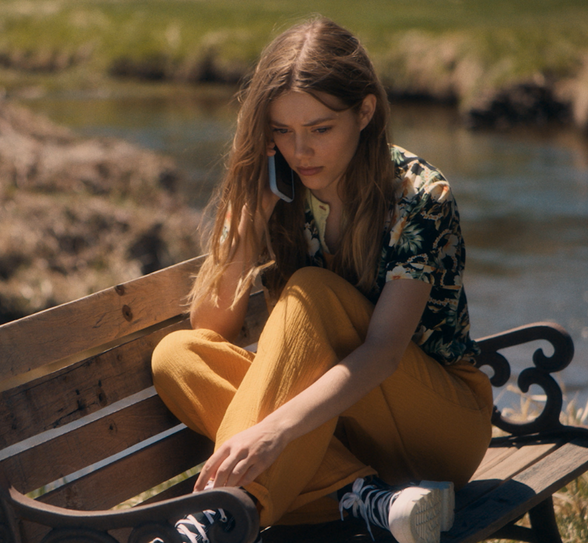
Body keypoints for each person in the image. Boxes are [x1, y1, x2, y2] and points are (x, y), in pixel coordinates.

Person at [150, 15, 494, 543]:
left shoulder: (419, 196)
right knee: (178, 355)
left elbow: (381, 353)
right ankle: (359, 498)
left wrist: (273, 430)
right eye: (283, 132)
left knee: (311, 291)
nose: (301, 151)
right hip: (342, 430)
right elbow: (211, 326)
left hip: (439, 429)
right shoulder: (282, 192)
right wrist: (249, 224)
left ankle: (224, 515)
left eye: (320, 129)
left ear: (364, 112)